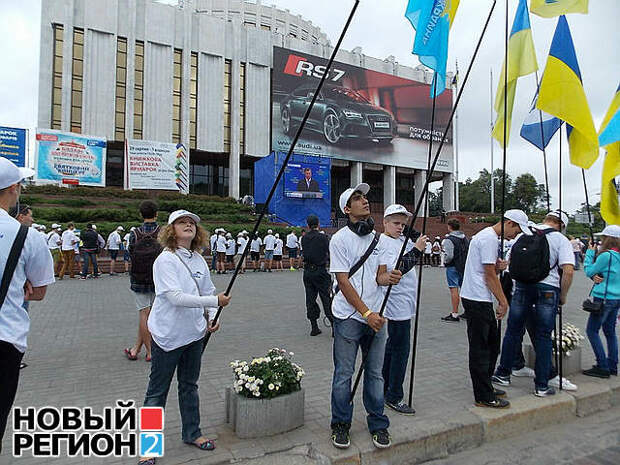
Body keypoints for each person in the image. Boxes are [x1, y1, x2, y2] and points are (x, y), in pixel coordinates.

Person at [139, 209, 231, 465]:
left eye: (192, 223)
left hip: (193, 336)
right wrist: (214, 301)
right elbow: (174, 297)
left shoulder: (199, 260)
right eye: (182, 222)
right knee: (156, 392)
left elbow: (209, 290)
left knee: (189, 386)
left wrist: (213, 315)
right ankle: (148, 446)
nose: (189, 225)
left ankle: (193, 433)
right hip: (167, 336)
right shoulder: (165, 260)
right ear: (171, 230)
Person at [329, 183, 402, 450]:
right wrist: (366, 313)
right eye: (357, 199)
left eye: (365, 197)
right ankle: (340, 424)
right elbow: (343, 282)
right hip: (349, 316)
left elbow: (380, 276)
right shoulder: (339, 240)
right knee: (344, 374)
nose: (364, 201)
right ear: (347, 209)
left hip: (376, 317)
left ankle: (378, 424)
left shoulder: (378, 239)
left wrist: (389, 277)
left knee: (375, 375)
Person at [0, 158, 54, 451]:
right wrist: (19, 289)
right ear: (13, 188)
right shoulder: (27, 236)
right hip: (5, 337)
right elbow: (39, 291)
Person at [492, 210, 575, 397]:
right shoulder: (561, 240)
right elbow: (568, 271)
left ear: (546, 218)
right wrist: (563, 295)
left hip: (521, 287)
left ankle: (503, 373)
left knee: (513, 331)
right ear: (561, 225)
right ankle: (542, 385)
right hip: (547, 289)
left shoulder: (525, 233)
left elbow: (511, 264)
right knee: (543, 335)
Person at [460, 209, 531, 408]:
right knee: (481, 348)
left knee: (491, 345)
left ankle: (486, 385)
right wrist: (503, 301)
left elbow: (487, 268)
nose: (515, 235)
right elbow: (489, 275)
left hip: (478, 296)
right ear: (509, 223)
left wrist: (497, 268)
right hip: (477, 297)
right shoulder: (489, 239)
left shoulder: (487, 236)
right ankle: (483, 394)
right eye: (516, 231)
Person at [379, 204, 427, 416]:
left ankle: (384, 387)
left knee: (393, 347)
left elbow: (420, 235)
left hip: (406, 303)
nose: (400, 227)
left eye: (403, 224)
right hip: (396, 304)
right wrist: (416, 249)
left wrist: (407, 229)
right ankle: (394, 394)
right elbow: (399, 268)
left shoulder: (401, 238)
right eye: (396, 223)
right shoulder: (384, 243)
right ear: (385, 223)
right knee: (401, 350)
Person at [125, 200, 161, 362]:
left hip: (138, 277)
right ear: (156, 214)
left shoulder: (135, 233)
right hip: (158, 277)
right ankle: (136, 349)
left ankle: (149, 352)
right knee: (149, 314)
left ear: (141, 214)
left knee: (144, 314)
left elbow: (129, 252)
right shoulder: (162, 232)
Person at [583, 225, 620, 378]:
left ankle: (602, 365)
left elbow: (589, 270)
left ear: (608, 239)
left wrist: (590, 252)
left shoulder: (607, 256)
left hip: (603, 298)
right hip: (616, 298)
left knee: (592, 331)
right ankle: (612, 365)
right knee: (610, 332)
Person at [301, 214, 333, 336]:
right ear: (318, 224)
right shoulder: (323, 237)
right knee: (326, 298)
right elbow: (328, 252)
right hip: (320, 271)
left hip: (308, 271)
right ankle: (333, 325)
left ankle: (314, 326)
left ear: (308, 225)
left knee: (310, 298)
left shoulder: (304, 238)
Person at [441, 219, 469, 323]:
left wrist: (445, 262)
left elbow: (449, 255)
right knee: (465, 289)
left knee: (454, 290)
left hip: (453, 266)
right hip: (464, 266)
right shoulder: (465, 238)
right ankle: (468, 311)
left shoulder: (450, 239)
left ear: (449, 226)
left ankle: (455, 313)